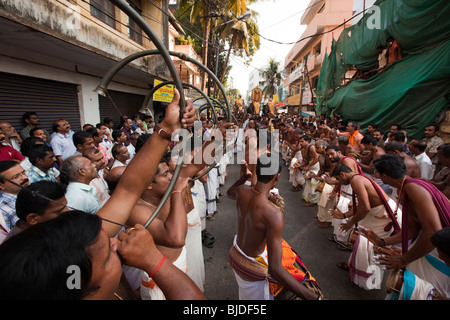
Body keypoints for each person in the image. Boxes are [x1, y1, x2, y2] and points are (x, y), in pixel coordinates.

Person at [0, 88, 203, 300]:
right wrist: (153, 261)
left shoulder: (75, 245)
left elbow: (127, 190)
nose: (115, 242)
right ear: (82, 287)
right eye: (107, 255)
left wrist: (167, 129)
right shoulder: (75, 259)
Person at [227, 154, 323, 300]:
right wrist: (314, 298)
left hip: (236, 253)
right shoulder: (273, 214)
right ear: (277, 177)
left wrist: (243, 179)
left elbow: (229, 193)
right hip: (251, 266)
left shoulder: (242, 191)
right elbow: (274, 268)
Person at [365, 154, 450, 299]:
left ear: (384, 176)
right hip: (431, 244)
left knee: (421, 291)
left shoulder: (413, 188)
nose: (374, 174)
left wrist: (404, 259)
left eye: (376, 171)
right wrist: (383, 242)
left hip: (440, 249)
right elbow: (413, 229)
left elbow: (433, 232)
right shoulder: (404, 188)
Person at [329, 163, 401, 289]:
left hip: (385, 217)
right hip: (380, 215)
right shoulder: (358, 178)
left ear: (342, 174)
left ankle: (371, 280)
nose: (339, 182)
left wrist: (350, 223)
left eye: (338, 179)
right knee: (363, 242)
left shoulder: (356, 181)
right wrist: (345, 216)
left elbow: (365, 208)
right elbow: (362, 206)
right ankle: (354, 266)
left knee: (372, 247)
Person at [4, 180, 68, 239]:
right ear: (33, 219)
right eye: (59, 211)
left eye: (66, 206)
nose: (68, 211)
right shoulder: (28, 247)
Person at [0, 160, 29, 241]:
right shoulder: (3, 211)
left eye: (23, 173)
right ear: (1, 185)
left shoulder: (31, 190)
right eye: (16, 177)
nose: (25, 177)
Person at [299, 135, 320, 206]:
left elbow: (317, 158)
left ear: (307, 141)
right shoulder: (302, 150)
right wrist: (299, 165)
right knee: (308, 182)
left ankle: (313, 201)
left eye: (302, 141)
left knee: (313, 183)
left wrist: (308, 166)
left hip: (316, 167)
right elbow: (305, 161)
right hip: (311, 167)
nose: (301, 143)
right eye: (300, 142)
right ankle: (307, 198)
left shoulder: (312, 148)